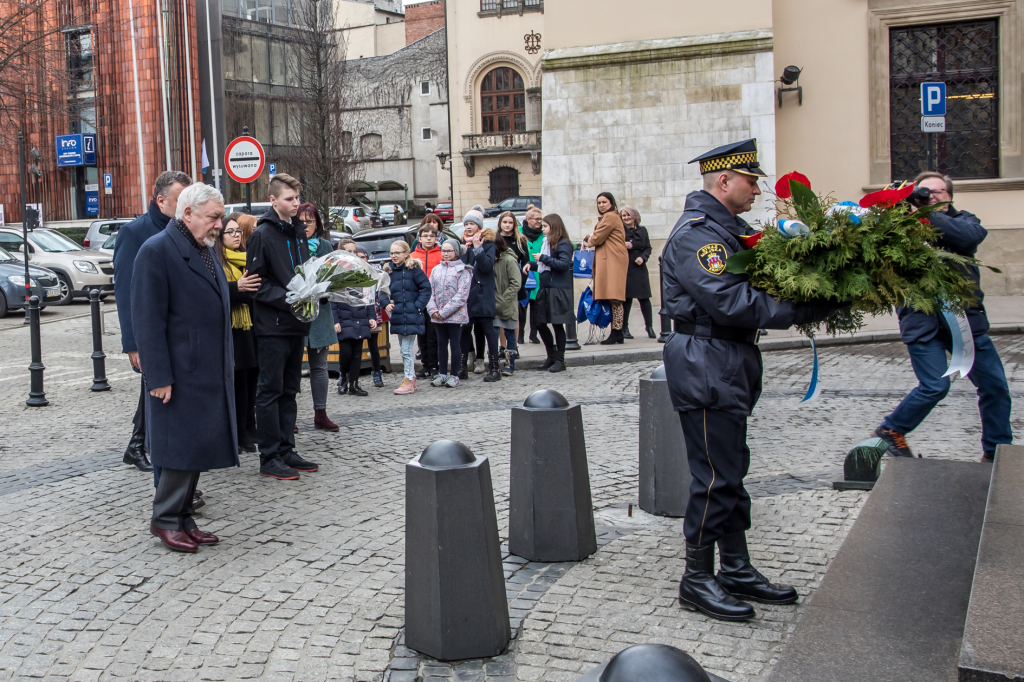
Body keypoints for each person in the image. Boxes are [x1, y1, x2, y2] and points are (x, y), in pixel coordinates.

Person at [662, 139, 842, 621]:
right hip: (706, 360)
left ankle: (736, 568)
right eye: (751, 181)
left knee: (731, 470)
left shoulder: (726, 230)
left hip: (725, 357)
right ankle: (696, 578)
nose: (758, 190)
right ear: (724, 181)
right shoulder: (699, 236)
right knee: (715, 476)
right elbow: (729, 300)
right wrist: (801, 307)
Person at [874, 172, 1012, 462]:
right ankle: (892, 429)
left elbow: (969, 237)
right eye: (924, 192)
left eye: (937, 192)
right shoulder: (900, 225)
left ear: (950, 197)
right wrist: (898, 209)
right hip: (921, 320)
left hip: (965, 321)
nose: (930, 196)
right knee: (935, 386)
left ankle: (997, 451)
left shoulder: (965, 221)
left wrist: (921, 213)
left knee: (995, 386)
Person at [132, 183, 238, 553]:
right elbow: (148, 321)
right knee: (179, 448)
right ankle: (164, 519)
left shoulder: (201, 247)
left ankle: (183, 518)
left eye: (220, 217)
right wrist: (158, 376)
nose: (219, 225)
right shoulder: (157, 250)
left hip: (205, 368)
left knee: (195, 447)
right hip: (178, 372)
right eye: (214, 217)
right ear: (188, 213)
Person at [114, 170, 192, 473]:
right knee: (156, 388)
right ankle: (146, 450)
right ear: (161, 200)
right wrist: (132, 344)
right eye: (180, 199)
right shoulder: (135, 233)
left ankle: (137, 445)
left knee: (155, 390)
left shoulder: (185, 230)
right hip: (150, 332)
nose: (187, 206)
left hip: (178, 332)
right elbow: (125, 293)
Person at [245, 173, 319, 481]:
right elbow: (255, 285)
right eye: (289, 199)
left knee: (290, 389)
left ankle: (287, 449)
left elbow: (303, 273)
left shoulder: (298, 231)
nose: (296, 203)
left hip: (296, 324)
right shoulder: (262, 234)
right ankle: (270, 456)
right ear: (273, 200)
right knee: (270, 391)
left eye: (297, 198)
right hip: (273, 326)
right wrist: (291, 298)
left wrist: (316, 289)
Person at [213, 212, 262, 452]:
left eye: (238, 232)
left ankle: (250, 428)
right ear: (220, 236)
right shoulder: (216, 260)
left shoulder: (247, 258)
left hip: (250, 326)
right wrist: (237, 287)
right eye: (230, 232)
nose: (236, 236)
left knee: (252, 379)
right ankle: (239, 432)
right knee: (238, 382)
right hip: (231, 329)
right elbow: (215, 293)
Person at [297, 203, 340, 431]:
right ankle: (289, 416)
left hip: (320, 312)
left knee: (320, 366)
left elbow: (333, 278)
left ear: (317, 224)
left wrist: (325, 288)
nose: (305, 225)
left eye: (310, 221)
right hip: (295, 312)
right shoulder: (289, 244)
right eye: (301, 221)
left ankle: (320, 413)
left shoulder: (325, 246)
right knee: (291, 366)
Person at [523, 214, 574, 373]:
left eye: (545, 226)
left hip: (558, 289)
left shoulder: (564, 243)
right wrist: (531, 264)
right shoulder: (547, 242)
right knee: (539, 322)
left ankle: (560, 360)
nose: (542, 228)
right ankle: (551, 355)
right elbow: (544, 267)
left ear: (554, 226)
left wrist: (543, 258)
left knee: (557, 324)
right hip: (545, 288)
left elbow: (563, 265)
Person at [332, 241, 378, 397]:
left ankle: (354, 383)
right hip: (344, 318)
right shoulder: (337, 273)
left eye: (354, 251)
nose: (352, 254)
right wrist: (335, 320)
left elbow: (368, 297)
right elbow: (332, 301)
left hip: (359, 317)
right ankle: (343, 378)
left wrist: (371, 316)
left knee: (357, 353)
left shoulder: (362, 271)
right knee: (345, 352)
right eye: (349, 251)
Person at [386, 240, 432, 394]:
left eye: (397, 253)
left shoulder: (414, 270)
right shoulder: (389, 271)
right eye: (392, 253)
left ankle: (409, 378)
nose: (394, 256)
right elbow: (382, 290)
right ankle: (411, 379)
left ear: (406, 253)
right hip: (398, 314)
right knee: (403, 349)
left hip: (411, 314)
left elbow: (426, 288)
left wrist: (418, 306)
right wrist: (386, 303)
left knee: (406, 350)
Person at [461, 208, 500, 382]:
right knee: (465, 329)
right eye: (466, 224)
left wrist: (478, 248)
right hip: (467, 295)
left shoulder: (488, 244)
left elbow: (486, 267)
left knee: (487, 330)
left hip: (483, 294)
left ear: (479, 226)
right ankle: (462, 367)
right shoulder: (463, 245)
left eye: (472, 224)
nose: (468, 227)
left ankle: (494, 368)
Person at [583, 191, 629, 345]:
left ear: (611, 203)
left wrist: (589, 239)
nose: (601, 205)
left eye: (604, 202)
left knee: (615, 297)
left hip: (613, 260)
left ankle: (617, 332)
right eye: (599, 203)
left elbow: (597, 238)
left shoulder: (610, 217)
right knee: (613, 297)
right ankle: (617, 332)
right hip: (611, 259)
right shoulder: (609, 217)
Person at [427, 239, 472, 387]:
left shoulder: (463, 270)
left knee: (455, 344)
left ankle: (454, 375)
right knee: (441, 344)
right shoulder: (436, 270)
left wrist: (444, 312)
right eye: (444, 251)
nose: (445, 254)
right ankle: (442, 373)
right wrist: (433, 310)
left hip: (455, 315)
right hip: (438, 316)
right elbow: (430, 292)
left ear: (456, 252)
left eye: (449, 251)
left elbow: (462, 295)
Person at [496, 211, 530, 374]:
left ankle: (513, 346)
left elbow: (526, 261)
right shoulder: (496, 238)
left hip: (514, 282)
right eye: (505, 222)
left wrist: (522, 277)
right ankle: (503, 347)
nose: (507, 225)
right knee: (500, 318)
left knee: (511, 317)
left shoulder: (520, 240)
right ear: (500, 223)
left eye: (510, 222)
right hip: (498, 283)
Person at [355, 245, 391, 387]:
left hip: (373, 314)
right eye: (357, 256)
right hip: (355, 316)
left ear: (367, 258)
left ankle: (377, 373)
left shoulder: (377, 274)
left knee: (373, 347)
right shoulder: (348, 274)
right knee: (354, 348)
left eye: (362, 257)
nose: (360, 259)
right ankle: (348, 375)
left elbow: (383, 293)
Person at [412, 219, 444, 378]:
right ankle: (425, 365)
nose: (429, 239)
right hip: (418, 300)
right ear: (420, 239)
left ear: (437, 238)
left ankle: (434, 366)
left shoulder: (441, 255)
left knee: (433, 335)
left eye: (432, 236)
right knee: (421, 334)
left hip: (435, 300)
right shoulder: (412, 256)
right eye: (425, 236)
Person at [620, 205, 656, 339]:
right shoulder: (620, 231)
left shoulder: (642, 230)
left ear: (634, 216)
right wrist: (624, 245)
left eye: (628, 215)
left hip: (639, 267)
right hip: (626, 267)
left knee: (644, 298)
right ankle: (624, 328)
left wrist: (643, 257)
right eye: (623, 216)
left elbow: (648, 247)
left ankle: (649, 327)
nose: (626, 218)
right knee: (626, 299)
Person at [493, 232, 523, 375]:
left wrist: (503, 300)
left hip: (507, 303)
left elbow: (516, 283)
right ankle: (493, 364)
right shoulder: (491, 259)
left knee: (510, 333)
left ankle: (510, 364)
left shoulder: (509, 260)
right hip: (493, 304)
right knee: (493, 333)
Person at [521, 205, 545, 345]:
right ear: (528, 219)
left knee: (536, 307)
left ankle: (533, 335)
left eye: (540, 219)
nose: (539, 222)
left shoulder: (544, 234)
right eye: (536, 219)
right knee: (522, 307)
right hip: (523, 274)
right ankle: (520, 335)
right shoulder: (519, 231)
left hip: (538, 274)